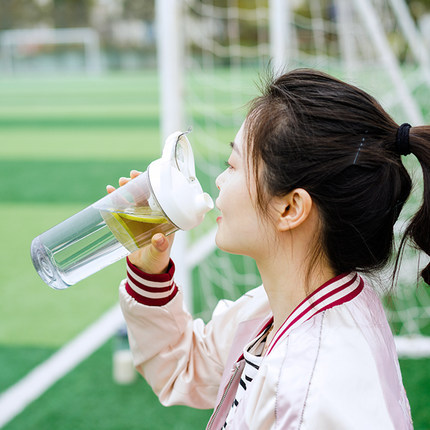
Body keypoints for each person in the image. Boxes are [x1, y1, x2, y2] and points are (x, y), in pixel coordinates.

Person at [108, 69, 430, 429]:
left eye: (233, 166)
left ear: (290, 209)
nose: (218, 180)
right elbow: (188, 366)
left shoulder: (319, 395)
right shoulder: (284, 304)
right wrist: (150, 273)